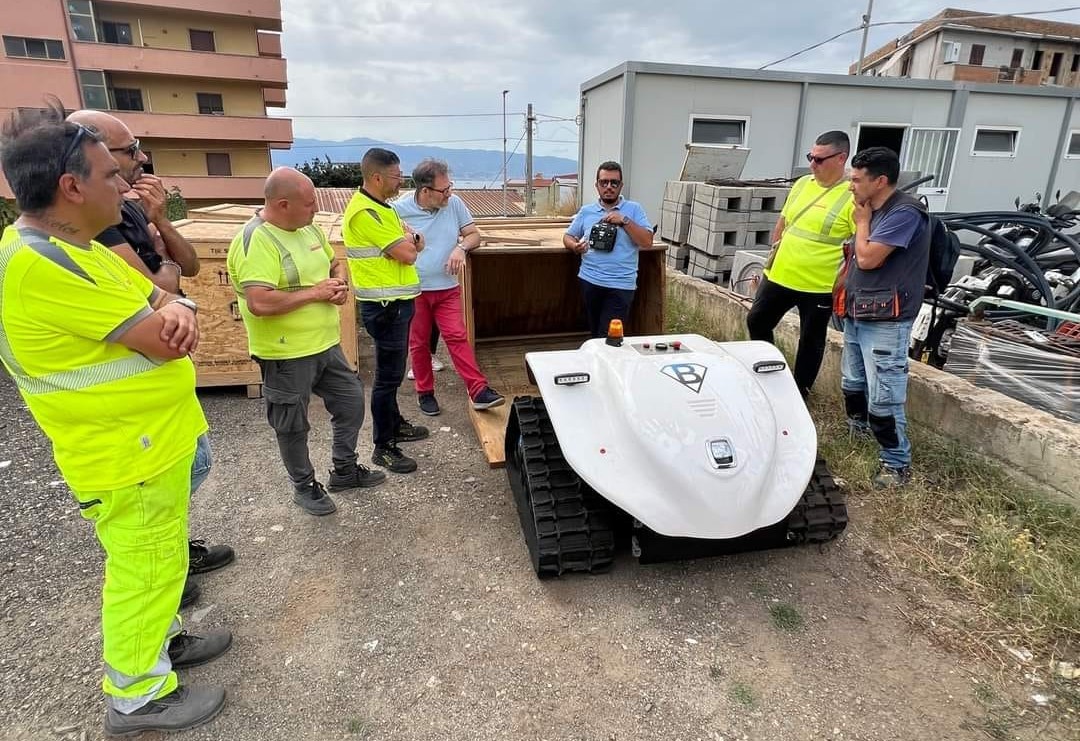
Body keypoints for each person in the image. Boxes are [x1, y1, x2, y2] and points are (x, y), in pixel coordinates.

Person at [0, 101, 229, 735]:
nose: (124, 185)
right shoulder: (41, 265)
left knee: (162, 566)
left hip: (149, 445)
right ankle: (138, 697)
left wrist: (173, 304)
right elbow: (166, 334)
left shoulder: (76, 247)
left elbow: (165, 296)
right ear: (71, 187)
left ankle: (162, 647)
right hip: (125, 453)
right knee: (144, 570)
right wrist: (172, 311)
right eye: (110, 175)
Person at [67, 109, 233, 592]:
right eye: (125, 156)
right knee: (152, 508)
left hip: (157, 403)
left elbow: (188, 267)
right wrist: (166, 285)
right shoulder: (92, 233)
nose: (139, 161)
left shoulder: (132, 210)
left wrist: (159, 222)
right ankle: (165, 575)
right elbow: (153, 289)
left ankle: (173, 552)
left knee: (191, 468)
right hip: (123, 423)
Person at [227, 168, 386, 514]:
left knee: (350, 403)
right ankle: (304, 486)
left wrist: (338, 284)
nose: (315, 209)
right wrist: (317, 293)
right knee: (292, 425)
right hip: (285, 353)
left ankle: (344, 469)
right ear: (283, 204)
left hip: (325, 345)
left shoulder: (308, 227)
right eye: (309, 204)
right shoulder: (257, 241)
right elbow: (260, 301)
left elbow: (333, 263)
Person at [839, 146, 930, 488]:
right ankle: (857, 434)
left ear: (879, 181)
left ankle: (896, 463)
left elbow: (868, 259)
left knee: (884, 396)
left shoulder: (905, 213)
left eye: (857, 180)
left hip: (886, 320)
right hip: (857, 310)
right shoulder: (871, 209)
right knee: (854, 383)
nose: (851, 186)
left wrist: (861, 224)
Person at [746, 130, 855, 399]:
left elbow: (859, 243)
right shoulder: (803, 184)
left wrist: (844, 281)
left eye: (819, 159)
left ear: (841, 158)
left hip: (817, 285)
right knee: (757, 321)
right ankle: (770, 375)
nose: (812, 165)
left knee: (811, 340)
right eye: (811, 157)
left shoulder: (852, 195)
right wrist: (770, 260)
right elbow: (783, 223)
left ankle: (799, 392)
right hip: (779, 275)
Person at [393, 158, 504, 416]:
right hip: (415, 290)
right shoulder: (398, 211)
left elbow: (474, 234)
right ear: (424, 191)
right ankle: (425, 392)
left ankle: (478, 390)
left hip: (447, 288)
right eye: (444, 190)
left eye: (450, 187)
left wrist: (461, 247)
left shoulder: (454, 204)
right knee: (419, 344)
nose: (449, 193)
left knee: (456, 336)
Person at [343, 148, 430, 474]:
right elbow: (409, 252)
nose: (401, 182)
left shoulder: (384, 209)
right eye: (396, 177)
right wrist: (412, 241)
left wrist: (412, 239)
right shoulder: (366, 214)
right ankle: (383, 446)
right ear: (377, 177)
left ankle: (395, 424)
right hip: (384, 307)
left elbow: (413, 242)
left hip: (396, 303)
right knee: (387, 379)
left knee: (392, 375)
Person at [563, 161, 654, 338]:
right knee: (595, 332)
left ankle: (604, 364)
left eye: (614, 183)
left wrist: (624, 221)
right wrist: (575, 246)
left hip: (620, 285)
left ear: (621, 186)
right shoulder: (586, 211)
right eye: (604, 182)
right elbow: (568, 236)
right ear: (597, 185)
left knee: (608, 337)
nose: (609, 187)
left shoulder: (634, 209)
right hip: (589, 281)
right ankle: (596, 365)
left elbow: (647, 241)